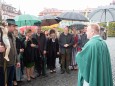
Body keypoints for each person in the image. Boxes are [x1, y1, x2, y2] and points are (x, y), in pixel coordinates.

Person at [6, 19, 20, 86]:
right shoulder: (3, 36)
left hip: (12, 63)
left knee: (10, 82)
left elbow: (15, 50)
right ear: (8, 26)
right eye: (13, 26)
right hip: (5, 65)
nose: (14, 28)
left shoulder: (13, 36)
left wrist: (17, 61)